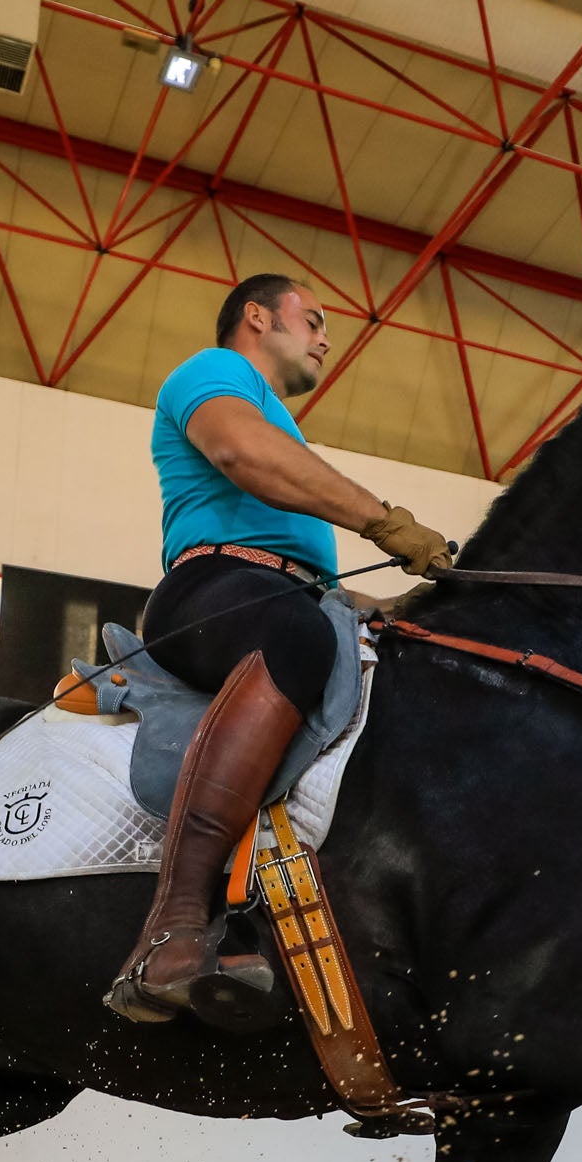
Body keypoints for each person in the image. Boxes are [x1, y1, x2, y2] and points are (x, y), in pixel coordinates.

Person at [106, 273, 457, 1027]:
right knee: (293, 632)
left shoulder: (288, 435)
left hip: (292, 599)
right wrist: (386, 524)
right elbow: (240, 454)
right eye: (314, 319)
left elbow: (321, 592)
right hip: (214, 591)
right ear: (256, 316)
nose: (326, 338)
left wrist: (402, 610)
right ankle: (173, 923)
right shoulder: (214, 374)